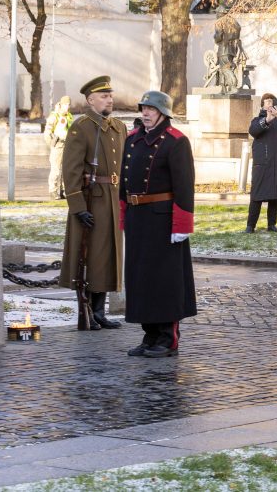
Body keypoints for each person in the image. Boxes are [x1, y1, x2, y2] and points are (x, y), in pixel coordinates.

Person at [121, 91, 197, 358]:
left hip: (163, 221)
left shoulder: (176, 142)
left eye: (151, 109)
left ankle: (167, 338)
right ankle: (149, 335)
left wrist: (182, 224)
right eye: (143, 108)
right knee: (140, 279)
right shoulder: (132, 140)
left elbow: (185, 187)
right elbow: (124, 182)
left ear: (164, 113)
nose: (145, 113)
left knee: (164, 280)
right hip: (138, 218)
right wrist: (124, 215)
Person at [59, 76, 126, 330]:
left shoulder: (119, 127)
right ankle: (87, 309)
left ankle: (100, 311)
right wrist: (77, 207)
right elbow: (71, 171)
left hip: (114, 199)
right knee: (90, 258)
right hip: (92, 202)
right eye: (103, 96)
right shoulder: (82, 127)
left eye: (110, 95)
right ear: (90, 100)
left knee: (109, 257)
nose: (109, 99)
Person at [246, 93, 277, 233]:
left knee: (275, 195)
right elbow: (253, 131)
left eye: (271, 102)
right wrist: (267, 120)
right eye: (266, 102)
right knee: (257, 196)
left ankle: (271, 224)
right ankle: (250, 225)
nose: (269, 104)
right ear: (262, 105)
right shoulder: (258, 120)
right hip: (262, 166)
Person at [44, 96, 74, 200]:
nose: (67, 107)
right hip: (58, 145)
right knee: (56, 170)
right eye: (66, 104)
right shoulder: (55, 116)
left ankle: (63, 190)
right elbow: (47, 132)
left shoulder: (69, 116)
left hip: (67, 145)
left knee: (66, 170)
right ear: (61, 104)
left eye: (69, 105)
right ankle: (53, 190)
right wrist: (52, 144)